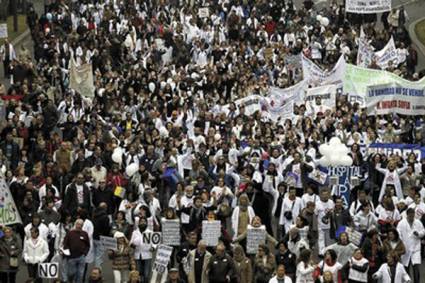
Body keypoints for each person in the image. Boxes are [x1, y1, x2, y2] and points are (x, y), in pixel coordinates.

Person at [397, 207, 425, 283]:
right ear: (407, 215)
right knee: (406, 268)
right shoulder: (402, 223)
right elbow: (398, 233)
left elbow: (423, 231)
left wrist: (418, 234)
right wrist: (401, 241)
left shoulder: (418, 222)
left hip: (416, 249)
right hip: (405, 249)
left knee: (416, 268)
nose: (412, 218)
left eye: (413, 216)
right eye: (410, 216)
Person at [62, 219, 91, 283]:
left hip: (81, 257)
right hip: (71, 257)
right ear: (75, 224)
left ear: (82, 226)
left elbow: (88, 245)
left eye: (81, 225)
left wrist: (85, 253)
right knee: (72, 273)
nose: (79, 226)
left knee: (80, 275)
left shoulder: (85, 234)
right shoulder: (70, 233)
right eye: (78, 224)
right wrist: (68, 254)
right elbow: (65, 244)